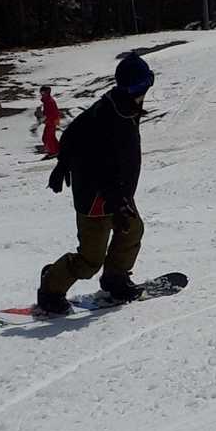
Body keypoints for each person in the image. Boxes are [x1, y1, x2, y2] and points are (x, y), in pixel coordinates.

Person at [36, 52, 155, 315]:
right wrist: (63, 165)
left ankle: (115, 278)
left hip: (118, 193)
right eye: (135, 88)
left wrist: (63, 163)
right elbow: (100, 165)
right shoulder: (109, 115)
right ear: (124, 88)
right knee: (90, 260)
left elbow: (73, 132)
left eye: (145, 85)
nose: (140, 93)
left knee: (132, 231)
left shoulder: (123, 106)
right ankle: (50, 288)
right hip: (95, 198)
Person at [38, 84, 61, 156]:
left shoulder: (49, 101)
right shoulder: (46, 101)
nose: (42, 94)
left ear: (47, 92)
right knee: (49, 137)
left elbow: (53, 113)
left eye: (43, 92)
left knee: (48, 138)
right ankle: (57, 150)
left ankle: (53, 152)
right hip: (50, 121)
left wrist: (46, 119)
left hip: (51, 121)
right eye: (41, 92)